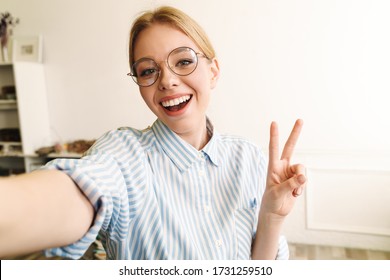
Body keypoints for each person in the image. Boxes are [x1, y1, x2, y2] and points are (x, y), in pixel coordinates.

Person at [0, 6, 306, 260]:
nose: (167, 81)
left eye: (183, 61)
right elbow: (76, 191)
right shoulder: (124, 154)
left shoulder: (248, 157)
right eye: (148, 70)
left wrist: (271, 218)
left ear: (213, 71)